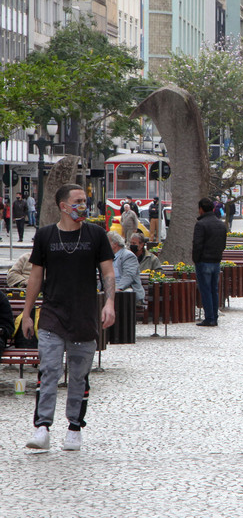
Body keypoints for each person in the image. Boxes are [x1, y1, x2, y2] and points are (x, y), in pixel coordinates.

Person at [23, 183, 116, 451]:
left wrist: (110, 302)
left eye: (85, 201)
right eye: (77, 201)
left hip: (85, 317)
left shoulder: (96, 235)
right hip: (52, 314)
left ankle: (75, 428)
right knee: (49, 370)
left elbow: (108, 273)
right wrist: (28, 313)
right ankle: (42, 427)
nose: (83, 206)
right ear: (63, 206)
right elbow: (36, 276)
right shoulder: (45, 235)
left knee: (79, 376)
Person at [192, 197, 227, 327]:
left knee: (205, 290)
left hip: (204, 261)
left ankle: (210, 318)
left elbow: (197, 244)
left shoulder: (201, 224)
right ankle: (214, 317)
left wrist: (196, 259)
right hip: (216, 261)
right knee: (214, 289)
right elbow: (223, 243)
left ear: (201, 209)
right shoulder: (220, 224)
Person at [107, 231, 145, 303]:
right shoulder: (109, 257)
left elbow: (128, 276)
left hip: (127, 292)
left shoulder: (128, 256)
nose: (105, 245)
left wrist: (117, 289)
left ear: (115, 244)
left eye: (107, 243)